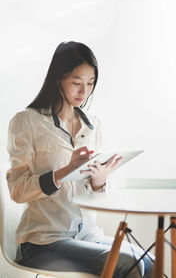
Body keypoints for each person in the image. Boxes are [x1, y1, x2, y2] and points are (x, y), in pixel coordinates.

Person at [7, 41, 154, 277]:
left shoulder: (93, 125)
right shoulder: (27, 121)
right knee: (131, 264)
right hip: (42, 242)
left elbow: (95, 196)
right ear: (57, 79)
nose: (84, 92)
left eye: (90, 83)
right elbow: (17, 190)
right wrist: (65, 171)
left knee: (151, 262)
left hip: (87, 235)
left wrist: (99, 182)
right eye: (76, 83)